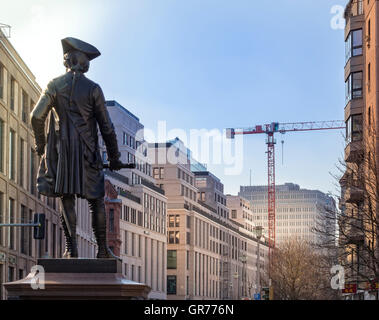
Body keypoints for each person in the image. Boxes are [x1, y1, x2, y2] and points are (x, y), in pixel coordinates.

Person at [30, 37, 123, 258]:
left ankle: (71, 250)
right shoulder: (93, 89)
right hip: (88, 152)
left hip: (62, 154)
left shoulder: (53, 85)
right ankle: (102, 250)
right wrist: (115, 157)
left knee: (67, 198)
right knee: (96, 200)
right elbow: (107, 127)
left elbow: (36, 117)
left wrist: (41, 145)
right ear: (82, 62)